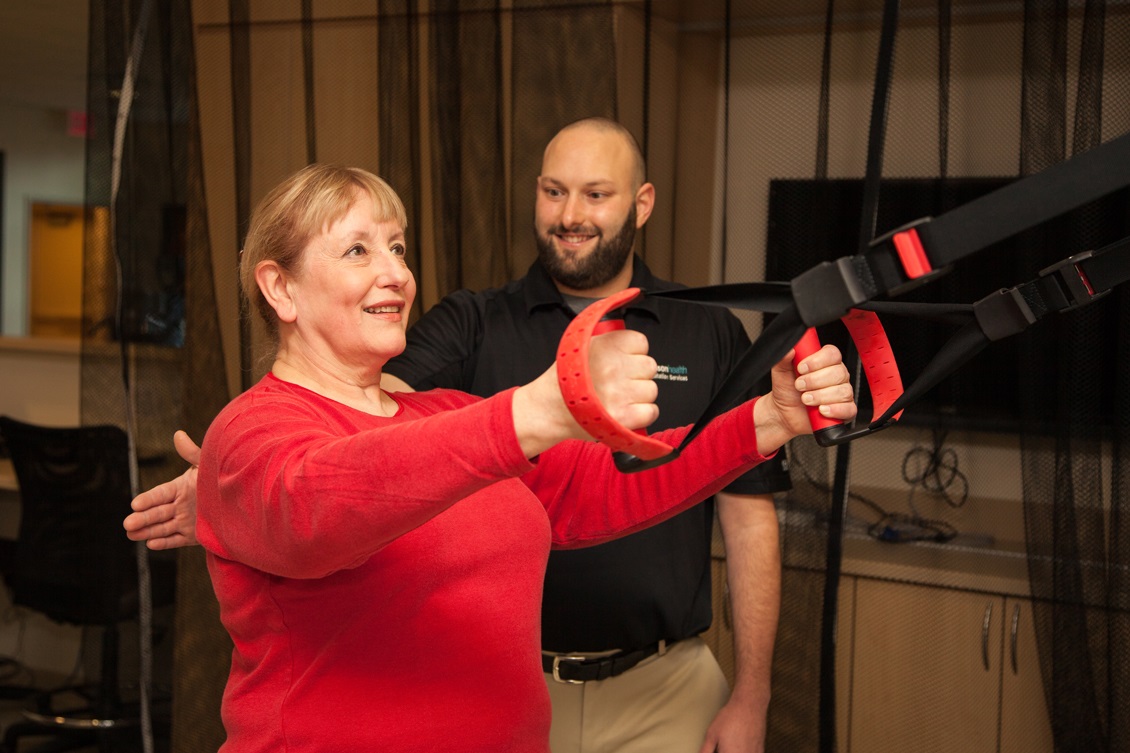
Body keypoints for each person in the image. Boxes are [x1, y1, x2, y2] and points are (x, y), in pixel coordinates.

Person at [124, 120, 810, 751]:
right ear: (280, 288)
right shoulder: (249, 433)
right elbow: (322, 503)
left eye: (396, 246)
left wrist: (766, 421)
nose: (395, 271)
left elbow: (596, 488)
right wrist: (540, 408)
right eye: (358, 249)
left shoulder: (437, 411)